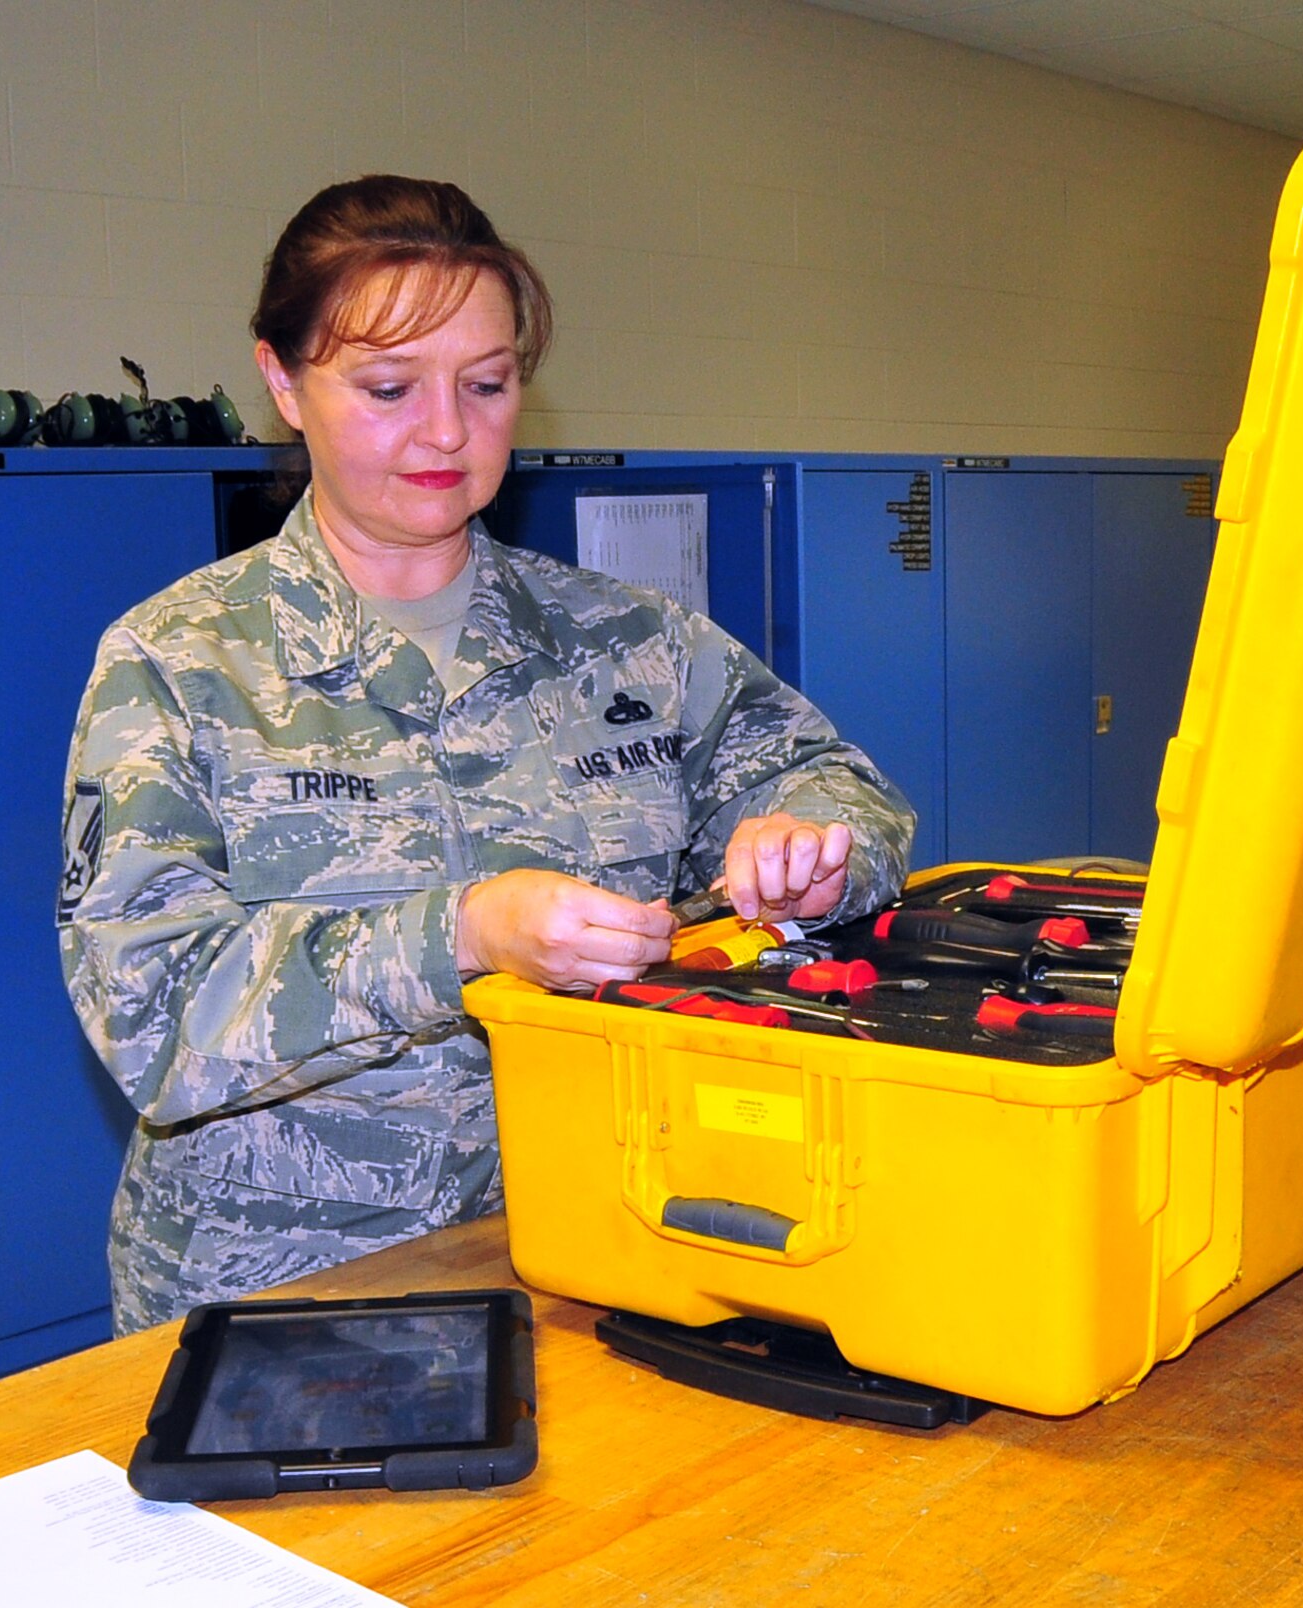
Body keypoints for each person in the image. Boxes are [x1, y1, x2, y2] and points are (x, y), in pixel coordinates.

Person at [58, 175, 914, 1335]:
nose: (449, 432)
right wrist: (457, 933)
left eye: (487, 383)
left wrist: (816, 845)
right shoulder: (180, 662)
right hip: (286, 1296)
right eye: (388, 387)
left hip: (599, 1257)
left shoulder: (631, 641)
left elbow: (831, 782)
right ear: (281, 382)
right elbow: (148, 1015)